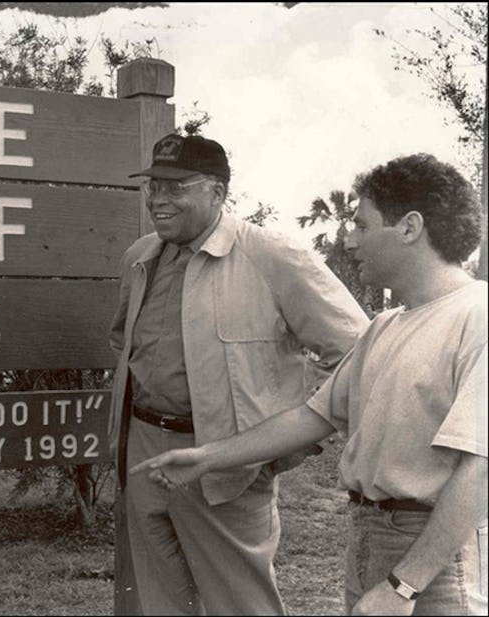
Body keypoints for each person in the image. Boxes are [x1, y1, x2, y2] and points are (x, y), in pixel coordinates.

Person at [131, 152, 487, 616]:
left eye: (361, 225)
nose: (349, 239)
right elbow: (314, 416)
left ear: (409, 227)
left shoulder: (476, 318)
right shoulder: (386, 326)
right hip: (368, 536)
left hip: (430, 553)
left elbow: (479, 472)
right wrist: (206, 457)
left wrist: (404, 586)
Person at [109, 133, 369, 615]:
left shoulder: (270, 255)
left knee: (241, 606)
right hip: (143, 452)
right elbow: (127, 346)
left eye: (175, 186)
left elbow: (361, 353)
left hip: (227, 466)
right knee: (151, 604)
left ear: (217, 192)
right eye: (153, 187)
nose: (158, 199)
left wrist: (283, 446)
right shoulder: (140, 258)